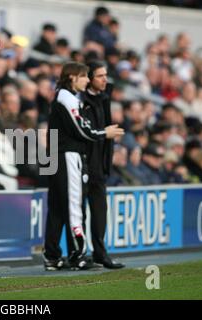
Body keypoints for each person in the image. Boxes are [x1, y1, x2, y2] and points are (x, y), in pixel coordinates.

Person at [43, 62, 124, 271]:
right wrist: (104, 133)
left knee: (57, 209)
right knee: (73, 206)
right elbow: (82, 129)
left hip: (56, 155)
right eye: (84, 76)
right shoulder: (68, 98)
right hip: (67, 156)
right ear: (72, 77)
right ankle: (77, 255)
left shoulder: (61, 96)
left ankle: (52, 256)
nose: (87, 80)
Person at [81, 61, 125, 269]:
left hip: (100, 165)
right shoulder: (81, 100)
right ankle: (79, 254)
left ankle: (100, 253)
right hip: (83, 165)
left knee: (99, 212)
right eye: (100, 76)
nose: (105, 80)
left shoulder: (104, 98)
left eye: (105, 75)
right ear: (89, 78)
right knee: (78, 213)